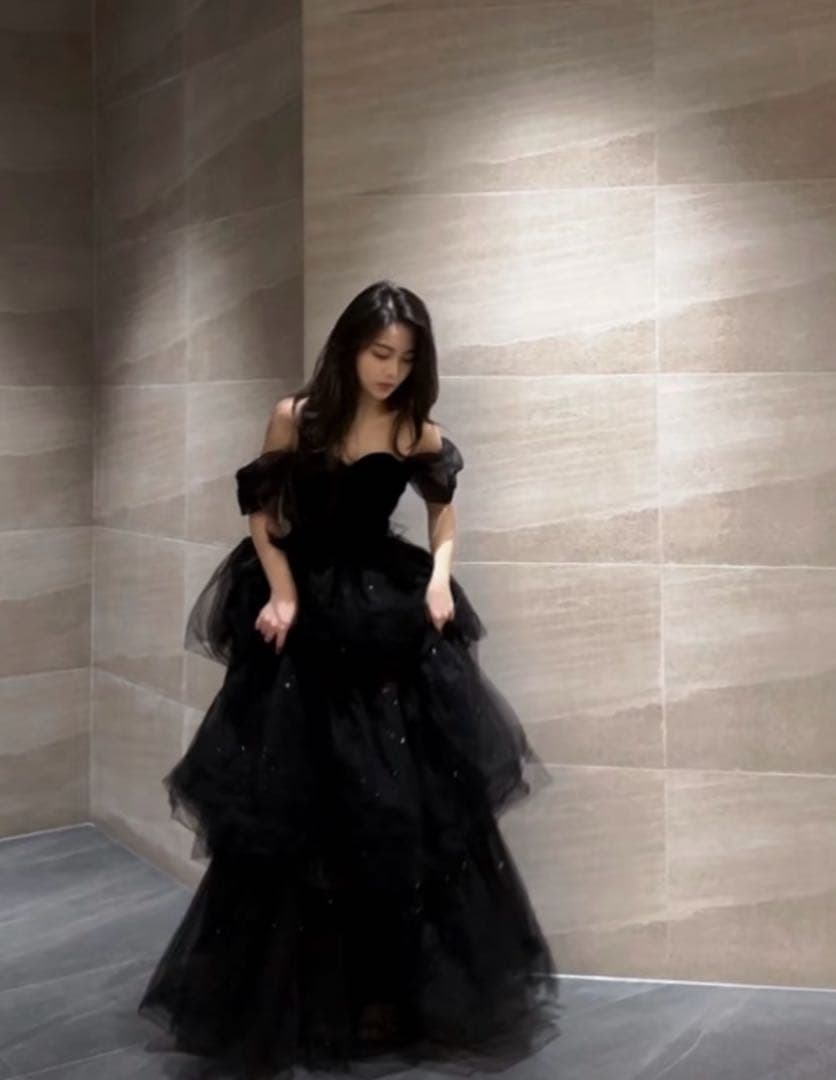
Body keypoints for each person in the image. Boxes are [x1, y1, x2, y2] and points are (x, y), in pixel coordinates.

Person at [137, 281, 561, 1078]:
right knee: (295, 810)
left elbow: (443, 510)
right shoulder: (297, 417)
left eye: (404, 359)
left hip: (384, 610)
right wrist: (283, 591)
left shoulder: (415, 428)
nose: (391, 371)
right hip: (309, 611)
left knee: (394, 807)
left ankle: (388, 995)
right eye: (379, 353)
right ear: (349, 347)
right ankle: (292, 1001)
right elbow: (263, 514)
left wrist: (440, 579)